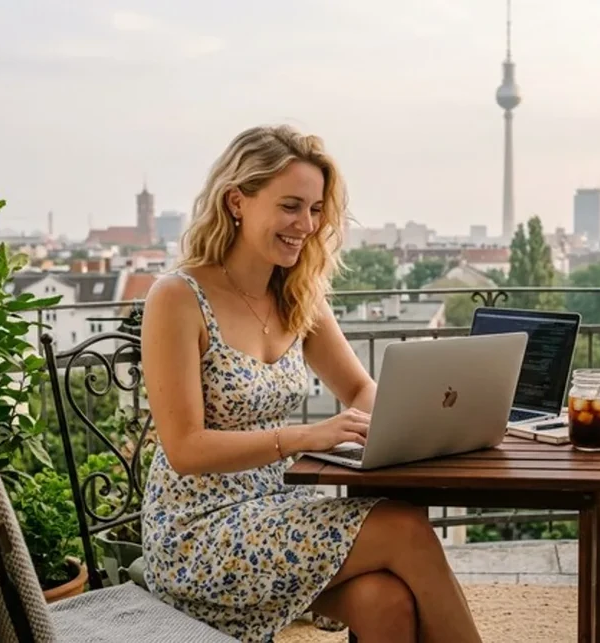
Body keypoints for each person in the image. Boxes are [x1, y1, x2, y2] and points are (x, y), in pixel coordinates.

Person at [139, 125, 481, 643]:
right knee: (404, 528)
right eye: (291, 206)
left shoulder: (298, 295)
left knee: (384, 601)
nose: (307, 224)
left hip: (275, 510)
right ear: (237, 201)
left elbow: (362, 391)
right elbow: (184, 448)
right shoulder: (177, 297)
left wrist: (428, 419)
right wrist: (308, 435)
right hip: (197, 532)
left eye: (316, 209)